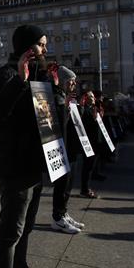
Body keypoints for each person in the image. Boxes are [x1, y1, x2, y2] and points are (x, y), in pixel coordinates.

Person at [0, 24, 56, 268]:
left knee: (26, 229)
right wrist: (21, 78)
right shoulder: (5, 74)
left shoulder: (39, 77)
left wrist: (53, 88)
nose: (45, 50)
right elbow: (0, 114)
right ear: (28, 47)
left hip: (34, 164)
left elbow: (44, 120)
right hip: (15, 166)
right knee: (11, 233)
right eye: (41, 45)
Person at [51, 65, 84, 234]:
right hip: (60, 147)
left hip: (70, 146)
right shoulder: (57, 97)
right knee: (62, 184)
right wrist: (65, 107)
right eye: (71, 81)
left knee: (69, 183)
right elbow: (58, 124)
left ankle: (63, 212)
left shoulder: (68, 98)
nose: (74, 84)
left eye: (74, 81)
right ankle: (57, 218)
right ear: (63, 81)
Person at [79, 90, 101, 199]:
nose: (93, 98)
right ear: (85, 98)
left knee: (90, 166)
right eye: (91, 96)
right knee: (87, 167)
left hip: (94, 141)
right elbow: (83, 124)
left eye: (93, 96)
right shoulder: (84, 109)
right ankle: (85, 189)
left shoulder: (93, 108)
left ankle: (86, 188)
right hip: (87, 142)